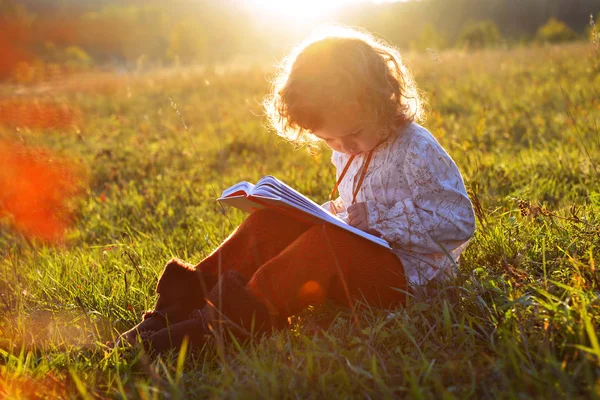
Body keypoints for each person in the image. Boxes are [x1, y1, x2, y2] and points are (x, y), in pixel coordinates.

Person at [116, 27, 476, 353]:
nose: (345, 147)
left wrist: (379, 219)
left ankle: (227, 325)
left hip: (410, 278)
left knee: (327, 245)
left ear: (381, 102)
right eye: (330, 140)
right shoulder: (349, 149)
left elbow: (457, 220)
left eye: (352, 134)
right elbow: (355, 209)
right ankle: (180, 306)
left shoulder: (416, 148)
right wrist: (324, 214)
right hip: (362, 260)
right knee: (268, 225)